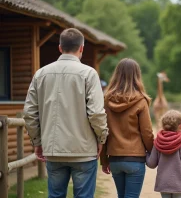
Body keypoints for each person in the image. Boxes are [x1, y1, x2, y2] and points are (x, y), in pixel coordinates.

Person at [23, 28, 108, 198]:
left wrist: (37, 141)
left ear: (60, 48)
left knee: (55, 195)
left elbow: (29, 113)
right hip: (84, 150)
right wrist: (101, 138)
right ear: (81, 48)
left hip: (53, 149)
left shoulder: (40, 74)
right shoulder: (89, 74)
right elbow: (96, 113)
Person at [100, 58, 154, 198]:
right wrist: (152, 153)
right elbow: (147, 132)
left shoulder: (106, 100)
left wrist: (104, 160)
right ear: (137, 75)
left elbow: (102, 131)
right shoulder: (141, 101)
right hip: (135, 158)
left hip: (114, 158)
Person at [146, 110, 181, 198]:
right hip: (179, 184)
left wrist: (145, 153)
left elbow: (151, 164)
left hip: (163, 184)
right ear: (180, 126)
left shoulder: (157, 142)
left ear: (163, 126)